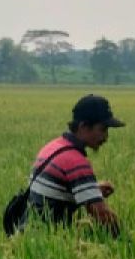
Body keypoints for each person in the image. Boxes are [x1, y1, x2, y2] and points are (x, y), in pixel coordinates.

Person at [22, 94, 123, 235]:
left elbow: (54, 194)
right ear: (83, 127)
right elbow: (101, 215)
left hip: (28, 229)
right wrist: (128, 242)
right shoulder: (76, 161)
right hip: (48, 238)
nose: (106, 137)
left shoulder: (53, 146)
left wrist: (93, 190)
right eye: (103, 129)